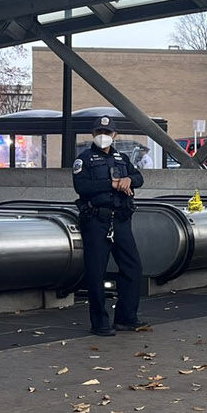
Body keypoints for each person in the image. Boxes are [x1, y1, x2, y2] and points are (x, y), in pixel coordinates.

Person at [72, 116, 143, 336]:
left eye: (108, 132)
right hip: (97, 220)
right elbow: (81, 186)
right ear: (94, 134)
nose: (104, 136)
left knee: (133, 268)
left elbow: (139, 177)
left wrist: (129, 180)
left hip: (120, 219)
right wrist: (111, 183)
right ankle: (100, 322)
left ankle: (126, 318)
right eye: (99, 132)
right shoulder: (84, 159)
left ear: (115, 135)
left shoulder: (122, 158)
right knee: (96, 272)